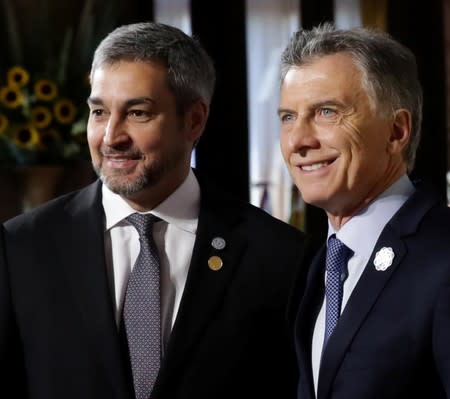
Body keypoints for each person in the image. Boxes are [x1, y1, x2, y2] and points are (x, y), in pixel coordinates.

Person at [0, 22, 310, 399]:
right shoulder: (22, 247)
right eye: (99, 112)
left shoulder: (278, 255)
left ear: (194, 120)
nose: (111, 136)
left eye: (138, 113)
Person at [278, 23, 450, 399]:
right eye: (288, 117)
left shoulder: (442, 257)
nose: (299, 140)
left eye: (326, 112)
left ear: (396, 132)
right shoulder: (321, 262)